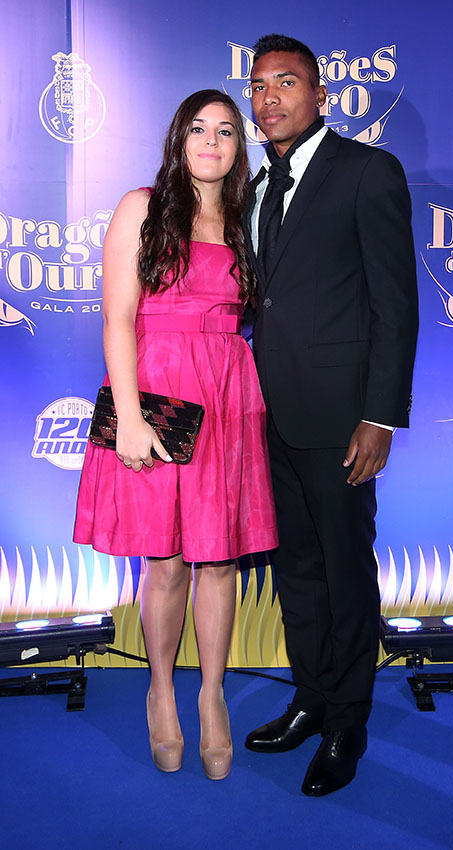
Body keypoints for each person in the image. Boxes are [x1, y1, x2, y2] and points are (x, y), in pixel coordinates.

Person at [74, 90, 278, 780]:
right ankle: (161, 691)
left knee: (218, 560)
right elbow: (116, 318)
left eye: (225, 130)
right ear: (178, 138)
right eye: (198, 128)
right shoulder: (142, 206)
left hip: (227, 394)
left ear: (239, 146)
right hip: (158, 392)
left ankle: (211, 694)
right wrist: (129, 418)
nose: (211, 141)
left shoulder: (248, 219)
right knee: (163, 561)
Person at [243, 35, 418, 796]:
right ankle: (310, 699)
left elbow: (395, 305)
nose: (269, 97)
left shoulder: (367, 171)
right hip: (268, 416)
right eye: (258, 86)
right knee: (299, 571)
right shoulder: (254, 184)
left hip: (343, 417)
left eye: (286, 82)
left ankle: (348, 719)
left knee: (345, 571)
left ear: (320, 94)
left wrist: (379, 415)